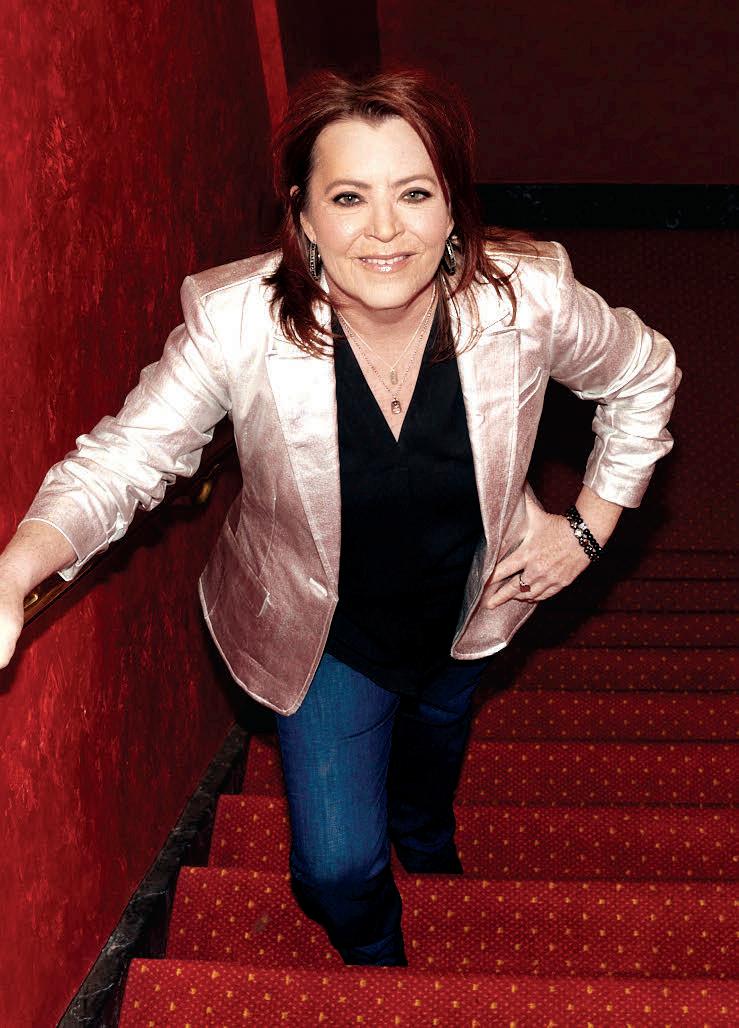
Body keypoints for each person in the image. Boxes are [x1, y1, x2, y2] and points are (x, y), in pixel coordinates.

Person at [0, 70, 680, 966]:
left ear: (451, 207)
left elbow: (642, 373)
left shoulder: (528, 297)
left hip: (474, 595)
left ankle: (427, 840)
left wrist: (588, 527)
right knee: (334, 868)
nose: (385, 229)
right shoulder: (235, 322)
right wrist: (15, 570)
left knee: (437, 735)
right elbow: (126, 459)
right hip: (325, 630)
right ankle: (377, 957)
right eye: (349, 197)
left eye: (414, 193)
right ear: (303, 215)